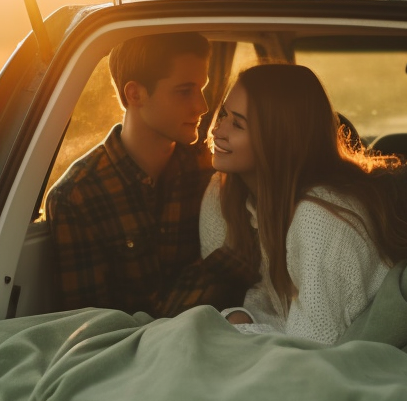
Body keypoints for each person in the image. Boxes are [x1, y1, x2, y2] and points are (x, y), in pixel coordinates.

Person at [45, 32, 255, 317]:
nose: (201, 106)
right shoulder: (78, 195)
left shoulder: (211, 169)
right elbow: (91, 327)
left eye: (202, 89)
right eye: (185, 91)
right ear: (135, 94)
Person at [201, 63, 407, 344]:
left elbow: (315, 344)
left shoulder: (319, 218)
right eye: (224, 114)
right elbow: (278, 305)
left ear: (278, 138)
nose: (217, 130)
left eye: (237, 124)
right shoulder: (237, 193)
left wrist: (245, 330)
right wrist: (243, 317)